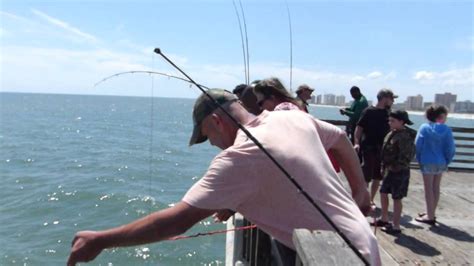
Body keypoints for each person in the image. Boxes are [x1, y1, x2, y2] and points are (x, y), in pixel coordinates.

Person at [67, 89, 381, 266]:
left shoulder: (237, 158)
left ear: (217, 121)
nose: (213, 145)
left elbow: (175, 222)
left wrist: (102, 239)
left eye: (207, 137)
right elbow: (340, 139)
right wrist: (360, 193)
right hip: (364, 244)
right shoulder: (291, 118)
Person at [371, 110, 416, 234]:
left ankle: (396, 225)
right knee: (383, 192)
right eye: (389, 120)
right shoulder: (392, 133)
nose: (390, 123)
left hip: (399, 171)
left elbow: (406, 156)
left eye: (393, 121)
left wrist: (395, 167)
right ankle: (384, 218)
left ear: (402, 122)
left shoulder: (405, 136)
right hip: (388, 169)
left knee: (397, 198)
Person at [354, 88, 397, 207]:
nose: (392, 101)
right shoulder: (368, 111)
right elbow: (359, 128)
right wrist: (356, 142)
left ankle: (371, 199)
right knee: (366, 174)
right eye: (391, 98)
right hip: (368, 146)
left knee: (378, 175)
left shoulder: (389, 113)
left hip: (383, 148)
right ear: (384, 98)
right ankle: (363, 199)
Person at [415, 105, 455, 225]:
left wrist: (419, 159)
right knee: (436, 187)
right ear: (440, 117)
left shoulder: (424, 127)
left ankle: (430, 216)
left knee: (428, 189)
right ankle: (431, 211)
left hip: (427, 161)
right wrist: (447, 160)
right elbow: (451, 148)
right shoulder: (447, 130)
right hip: (441, 161)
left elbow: (418, 145)